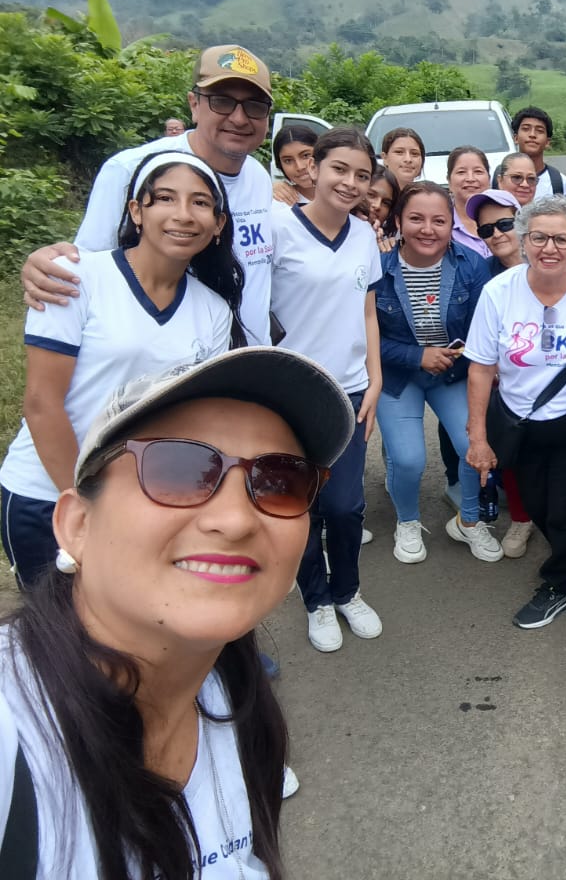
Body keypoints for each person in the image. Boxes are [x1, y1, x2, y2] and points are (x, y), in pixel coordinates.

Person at [0, 347, 352, 879]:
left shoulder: (231, 694)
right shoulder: (14, 737)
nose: (235, 520)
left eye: (280, 481)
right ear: (76, 525)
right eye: (178, 470)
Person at [0, 153, 245, 587]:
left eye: (201, 203)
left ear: (218, 224)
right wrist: (85, 503)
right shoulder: (75, 278)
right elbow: (41, 404)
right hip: (49, 494)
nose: (183, 214)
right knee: (57, 624)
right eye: (164, 198)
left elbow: (190, 418)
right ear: (136, 211)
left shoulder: (212, 309)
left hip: (139, 499)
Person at [21, 44, 275, 346]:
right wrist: (46, 268)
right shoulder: (131, 171)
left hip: (250, 360)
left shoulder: (258, 176)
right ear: (194, 104)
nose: (239, 118)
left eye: (255, 106)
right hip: (162, 362)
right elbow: (85, 272)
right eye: (222, 101)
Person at [464, 195, 566, 629]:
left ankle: (557, 585)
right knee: (535, 505)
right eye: (539, 237)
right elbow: (480, 368)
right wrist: (478, 438)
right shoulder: (498, 292)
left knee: (565, 508)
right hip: (518, 421)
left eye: (562, 239)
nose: (550, 248)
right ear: (524, 240)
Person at [269, 127, 383, 653]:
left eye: (362, 175)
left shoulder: (363, 234)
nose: (349, 182)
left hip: (350, 390)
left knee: (345, 506)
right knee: (298, 505)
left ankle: (347, 591)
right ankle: (315, 599)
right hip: (288, 395)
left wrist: (375, 378)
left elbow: (367, 309)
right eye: (339, 169)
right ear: (313, 167)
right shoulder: (276, 227)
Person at [374, 182, 500, 565]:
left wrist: (459, 358)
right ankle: (408, 521)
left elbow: (484, 330)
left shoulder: (471, 265)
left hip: (451, 374)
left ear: (451, 224)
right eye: (416, 218)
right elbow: (363, 337)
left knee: (473, 447)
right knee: (408, 458)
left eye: (439, 221)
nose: (427, 229)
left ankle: (469, 520)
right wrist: (417, 356)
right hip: (398, 374)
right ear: (399, 221)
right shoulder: (377, 267)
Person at [465, 188, 538, 558]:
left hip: (556, 383)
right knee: (509, 449)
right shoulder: (484, 277)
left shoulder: (553, 260)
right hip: (505, 382)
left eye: (504, 224)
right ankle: (522, 518)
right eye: (485, 230)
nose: (496, 234)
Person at [507, 107, 566, 197]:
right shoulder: (498, 179)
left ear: (547, 142)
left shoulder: (562, 184)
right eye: (526, 129)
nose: (532, 135)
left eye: (539, 131)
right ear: (515, 138)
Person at [447, 146, 493, 257]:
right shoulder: (441, 223)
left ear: (489, 179)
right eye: (461, 172)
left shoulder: (505, 217)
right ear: (449, 180)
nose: (470, 178)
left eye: (478, 171)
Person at [270, 125, 318, 206]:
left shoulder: (340, 194)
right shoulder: (279, 203)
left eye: (306, 155)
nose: (299, 167)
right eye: (288, 160)